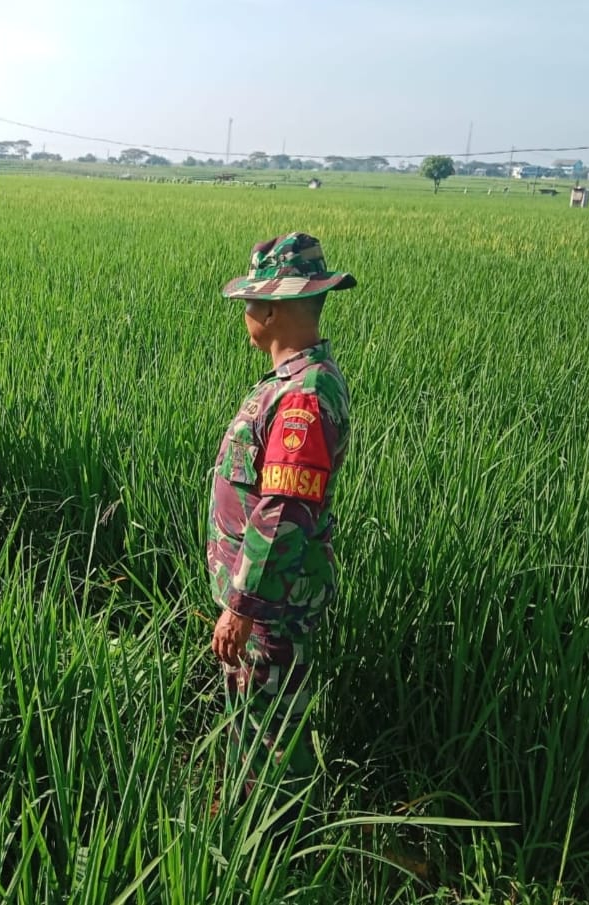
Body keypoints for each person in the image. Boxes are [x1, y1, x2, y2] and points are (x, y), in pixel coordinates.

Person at [207, 232, 356, 823]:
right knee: (255, 713)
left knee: (269, 725)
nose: (245, 313)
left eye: (250, 302)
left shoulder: (303, 396)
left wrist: (242, 605)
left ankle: (270, 838)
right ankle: (248, 815)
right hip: (269, 598)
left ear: (271, 310)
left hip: (273, 603)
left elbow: (284, 513)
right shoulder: (295, 382)